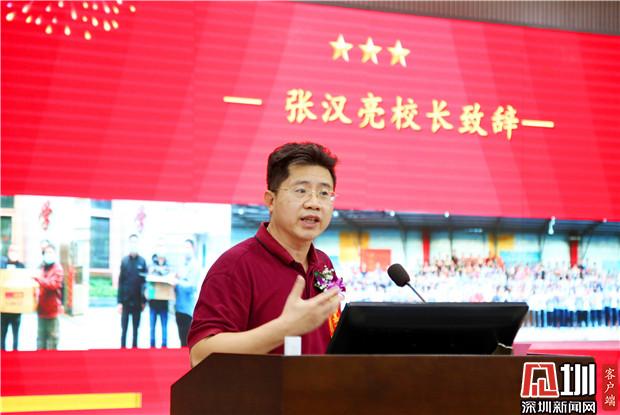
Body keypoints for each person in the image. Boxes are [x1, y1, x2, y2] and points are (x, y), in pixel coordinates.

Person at [188, 142, 343, 367]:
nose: (314, 203)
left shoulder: (324, 264)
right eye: (301, 191)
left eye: (324, 193)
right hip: (261, 391)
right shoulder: (236, 265)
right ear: (271, 200)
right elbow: (200, 356)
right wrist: (284, 329)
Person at [117, 234, 148, 349]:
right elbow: (121, 282)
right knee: (124, 329)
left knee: (136, 329)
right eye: (132, 242)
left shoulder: (142, 262)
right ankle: (123, 349)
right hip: (125, 301)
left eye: (135, 242)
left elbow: (145, 284)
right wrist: (119, 302)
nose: (133, 244)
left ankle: (135, 350)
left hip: (137, 302)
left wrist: (144, 301)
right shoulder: (124, 261)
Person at [34, 243, 64, 350]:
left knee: (52, 340)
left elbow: (53, 285)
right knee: (40, 340)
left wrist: (38, 279)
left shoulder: (58, 269)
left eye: (51, 252)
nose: (48, 254)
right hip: (41, 310)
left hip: (52, 311)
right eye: (46, 252)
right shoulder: (42, 268)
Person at [174, 239, 200, 347]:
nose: (186, 250)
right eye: (184, 247)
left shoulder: (195, 265)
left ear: (193, 249)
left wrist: (178, 282)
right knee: (181, 340)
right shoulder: (182, 264)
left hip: (188, 310)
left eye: (188, 247)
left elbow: (191, 286)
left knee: (187, 342)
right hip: (178, 307)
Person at [1, 244, 25, 351]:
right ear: (8, 252)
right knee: (2, 333)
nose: (13, 253)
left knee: (16, 334)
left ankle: (15, 353)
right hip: (4, 308)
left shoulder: (21, 266)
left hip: (16, 308)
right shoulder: (2, 265)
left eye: (15, 251)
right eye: (11, 251)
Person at [148, 249, 171, 348]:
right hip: (153, 302)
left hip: (164, 303)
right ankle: (152, 344)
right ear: (157, 258)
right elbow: (149, 283)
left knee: (164, 326)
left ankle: (164, 344)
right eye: (159, 257)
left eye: (162, 258)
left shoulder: (168, 268)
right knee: (152, 326)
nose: (161, 259)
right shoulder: (151, 267)